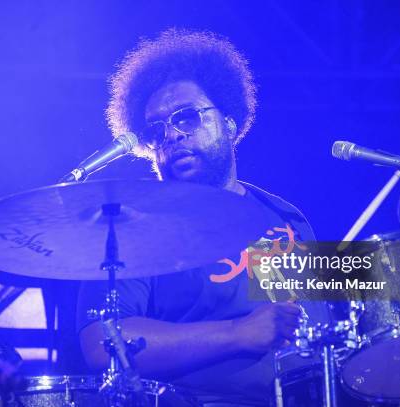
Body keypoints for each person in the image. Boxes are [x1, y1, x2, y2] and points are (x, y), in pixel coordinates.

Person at [76, 28, 329, 406]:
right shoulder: (137, 227)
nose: (172, 135)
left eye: (187, 118)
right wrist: (238, 334)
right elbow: (101, 343)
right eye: (157, 129)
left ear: (229, 123)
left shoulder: (281, 216)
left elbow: (321, 325)